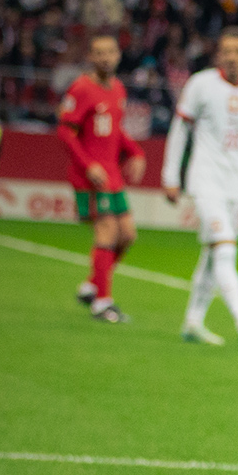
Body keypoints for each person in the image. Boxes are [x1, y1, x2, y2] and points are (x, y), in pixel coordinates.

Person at [162, 28, 238, 347]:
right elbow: (179, 130)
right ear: (218, 55)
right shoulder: (200, 84)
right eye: (225, 51)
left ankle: (192, 322)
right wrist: (170, 175)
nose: (231, 57)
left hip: (235, 185)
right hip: (205, 181)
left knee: (211, 253)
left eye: (237, 51)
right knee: (226, 248)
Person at [57, 33, 147, 324]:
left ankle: (92, 285)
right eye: (99, 53)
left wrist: (135, 152)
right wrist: (88, 165)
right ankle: (102, 303)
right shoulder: (82, 88)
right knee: (107, 231)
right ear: (91, 58)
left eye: (110, 52)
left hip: (112, 174)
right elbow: (65, 131)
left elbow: (115, 130)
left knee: (128, 235)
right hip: (91, 176)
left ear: (118, 55)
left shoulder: (118, 89)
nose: (105, 57)